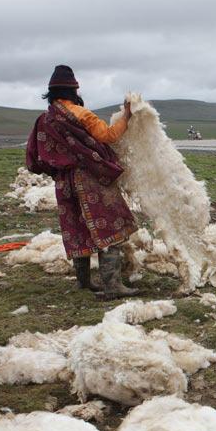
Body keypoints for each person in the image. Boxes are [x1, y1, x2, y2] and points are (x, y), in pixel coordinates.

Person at [25, 64, 139, 300]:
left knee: (77, 227)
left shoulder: (44, 120)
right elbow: (108, 136)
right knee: (109, 226)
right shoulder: (80, 114)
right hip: (90, 177)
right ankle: (112, 285)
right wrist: (126, 116)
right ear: (73, 90)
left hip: (64, 182)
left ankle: (84, 282)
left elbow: (34, 157)